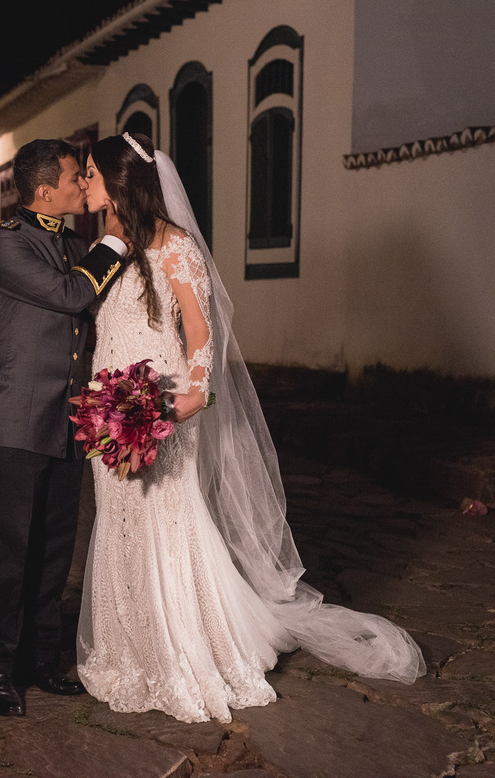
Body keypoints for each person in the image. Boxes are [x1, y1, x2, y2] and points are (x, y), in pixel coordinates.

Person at [75, 132, 426, 724]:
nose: (84, 183)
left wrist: (186, 398)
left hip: (156, 409)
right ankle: (129, 647)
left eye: (90, 173)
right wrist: (102, 406)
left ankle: (179, 649)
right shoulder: (113, 245)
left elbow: (200, 330)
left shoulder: (174, 245)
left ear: (117, 181)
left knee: (168, 522)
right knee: (121, 523)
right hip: (110, 413)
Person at [0, 139, 129, 717]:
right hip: (17, 417)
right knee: (8, 548)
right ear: (44, 191)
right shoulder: (6, 245)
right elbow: (72, 295)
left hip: (69, 416)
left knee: (54, 546)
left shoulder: (71, 242)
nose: (81, 186)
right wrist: (118, 238)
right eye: (73, 178)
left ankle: (41, 659)